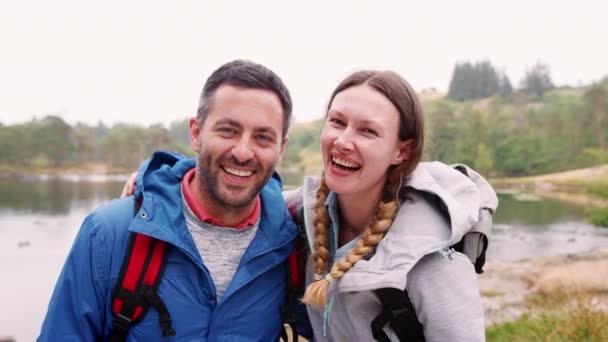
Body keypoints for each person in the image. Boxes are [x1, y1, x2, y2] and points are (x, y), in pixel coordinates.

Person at [122, 69, 498, 341]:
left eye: (368, 131)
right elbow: (241, 184)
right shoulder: (304, 214)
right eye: (337, 122)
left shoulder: (435, 264)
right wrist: (164, 178)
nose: (344, 141)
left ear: (401, 150)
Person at [38, 60, 300, 341]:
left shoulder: (294, 245)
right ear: (196, 133)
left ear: (281, 148)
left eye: (262, 137)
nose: (243, 152)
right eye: (228, 131)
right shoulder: (108, 233)